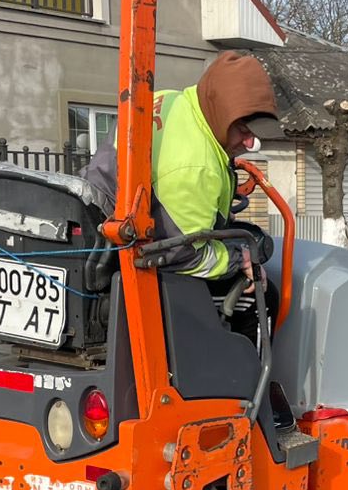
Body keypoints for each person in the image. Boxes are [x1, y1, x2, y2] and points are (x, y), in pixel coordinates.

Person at [81, 51, 283, 340]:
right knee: (261, 297)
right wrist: (242, 262)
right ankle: (240, 384)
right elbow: (184, 255)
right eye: (242, 129)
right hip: (140, 262)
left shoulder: (168, 100)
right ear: (220, 110)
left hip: (104, 238)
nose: (250, 143)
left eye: (254, 132)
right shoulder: (196, 167)